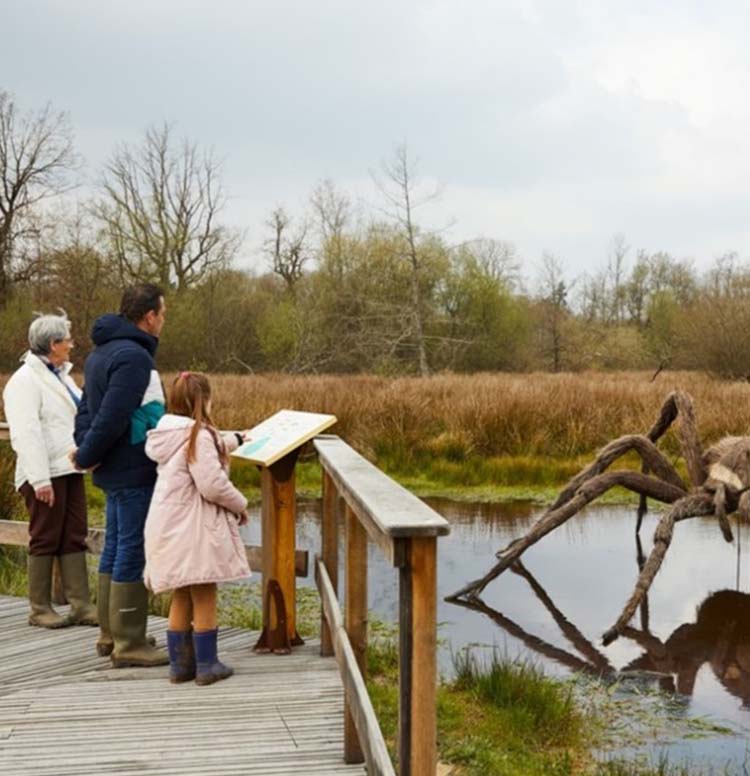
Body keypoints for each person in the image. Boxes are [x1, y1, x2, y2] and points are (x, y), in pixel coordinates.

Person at [73, 283, 169, 667]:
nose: (163, 321)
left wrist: (85, 450)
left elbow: (85, 412)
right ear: (149, 317)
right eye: (162, 314)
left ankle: (110, 633)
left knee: (115, 545)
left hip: (111, 466)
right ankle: (129, 643)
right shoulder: (134, 358)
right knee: (130, 547)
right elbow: (111, 416)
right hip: (131, 466)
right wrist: (86, 455)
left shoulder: (102, 353)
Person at [143, 371, 251, 685]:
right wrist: (240, 504)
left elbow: (210, 446)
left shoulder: (170, 432)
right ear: (203, 400)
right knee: (204, 589)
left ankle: (180, 666)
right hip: (193, 527)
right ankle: (207, 665)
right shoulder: (199, 436)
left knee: (182, 591)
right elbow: (212, 484)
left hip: (167, 524)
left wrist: (239, 439)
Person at [2, 312, 98, 628]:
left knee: (74, 534)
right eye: (67, 340)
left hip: (69, 467)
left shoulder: (61, 376)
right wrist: (40, 479)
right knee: (45, 536)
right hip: (43, 473)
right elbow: (26, 434)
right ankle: (39, 607)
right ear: (53, 344)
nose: (72, 345)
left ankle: (80, 604)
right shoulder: (24, 382)